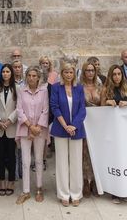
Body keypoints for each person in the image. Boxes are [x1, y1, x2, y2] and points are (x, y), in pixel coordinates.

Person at [50, 61, 86, 207]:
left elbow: (82, 109)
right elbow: (54, 106)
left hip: (76, 130)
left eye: (71, 72)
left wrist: (74, 126)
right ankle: (64, 194)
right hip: (60, 129)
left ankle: (76, 193)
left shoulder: (79, 88)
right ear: (62, 73)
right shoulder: (55, 88)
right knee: (62, 162)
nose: (69, 75)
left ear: (74, 73)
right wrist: (65, 126)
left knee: (76, 162)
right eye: (66, 72)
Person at [16, 67, 49, 205]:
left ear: (38, 77)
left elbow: (46, 110)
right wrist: (30, 127)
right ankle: (26, 191)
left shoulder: (44, 91)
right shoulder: (21, 91)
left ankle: (39, 189)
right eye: (29, 75)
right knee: (25, 161)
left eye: (34, 75)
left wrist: (37, 128)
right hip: (26, 129)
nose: (31, 78)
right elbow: (19, 110)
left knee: (39, 160)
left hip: (40, 130)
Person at [100, 64, 127, 204]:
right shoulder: (105, 90)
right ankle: (114, 192)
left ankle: (126, 189)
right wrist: (107, 102)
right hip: (111, 131)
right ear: (110, 76)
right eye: (114, 74)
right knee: (114, 160)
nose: (117, 76)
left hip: (125, 131)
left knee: (125, 160)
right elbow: (100, 110)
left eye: (119, 74)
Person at [0, 65, 18, 197]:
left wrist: (9, 120)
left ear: (11, 74)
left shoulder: (17, 88)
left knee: (12, 156)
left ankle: (11, 181)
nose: (5, 74)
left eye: (8, 71)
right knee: (1, 156)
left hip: (11, 127)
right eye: (3, 71)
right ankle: (2, 180)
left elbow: (19, 107)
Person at [79, 61, 101, 197]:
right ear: (83, 72)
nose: (90, 73)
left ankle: (94, 180)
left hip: (98, 124)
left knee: (96, 152)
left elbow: (104, 103)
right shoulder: (79, 87)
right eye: (87, 70)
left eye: (92, 70)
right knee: (84, 152)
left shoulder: (100, 86)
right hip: (84, 122)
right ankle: (84, 181)